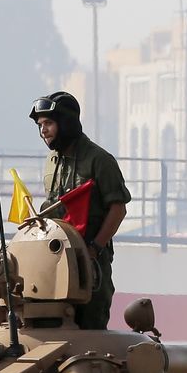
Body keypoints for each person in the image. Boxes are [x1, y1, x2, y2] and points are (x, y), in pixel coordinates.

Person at [30, 91, 131, 330]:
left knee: (90, 330)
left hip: (90, 265)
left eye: (48, 123)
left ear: (66, 123)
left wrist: (93, 249)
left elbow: (118, 209)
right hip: (55, 261)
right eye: (40, 125)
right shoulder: (51, 161)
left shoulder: (99, 160)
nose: (43, 131)